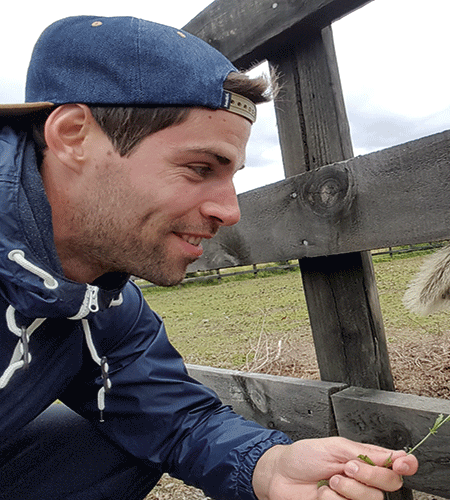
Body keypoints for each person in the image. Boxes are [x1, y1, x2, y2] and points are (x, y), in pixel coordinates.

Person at [0, 15, 417, 500]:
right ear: (73, 136)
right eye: (200, 168)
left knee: (107, 441)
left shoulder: (102, 298)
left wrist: (270, 466)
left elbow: (173, 420)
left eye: (233, 173)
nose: (230, 211)